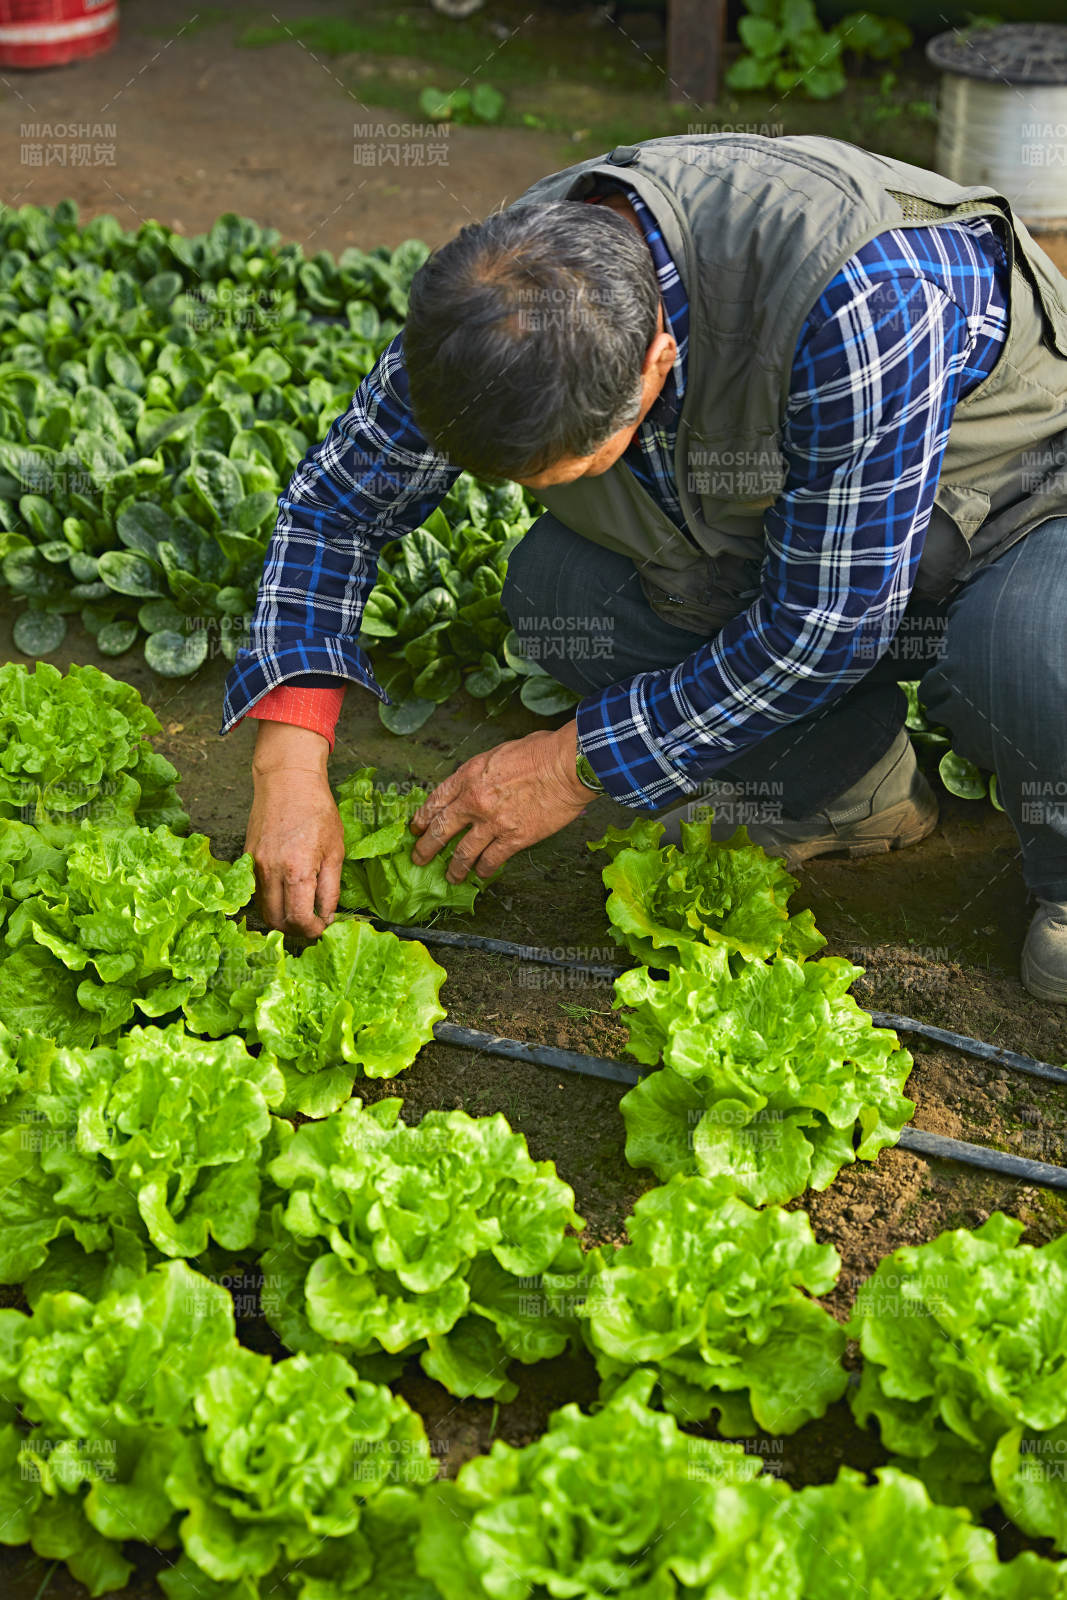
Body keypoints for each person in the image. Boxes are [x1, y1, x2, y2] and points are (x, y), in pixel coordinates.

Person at [222, 133, 1067, 1002]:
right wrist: (287, 767)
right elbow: (334, 509)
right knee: (567, 589)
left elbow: (828, 628)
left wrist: (570, 763)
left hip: (1016, 493)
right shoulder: (489, 305)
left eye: (571, 467)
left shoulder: (864, 298)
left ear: (654, 365)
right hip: (811, 523)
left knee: (1029, 653)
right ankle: (842, 791)